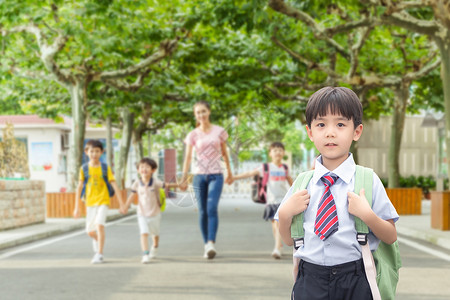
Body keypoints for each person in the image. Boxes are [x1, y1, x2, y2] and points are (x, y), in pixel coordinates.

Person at [276, 87, 399, 300]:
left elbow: (390, 235)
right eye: (321, 124)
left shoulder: (368, 180)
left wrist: (367, 215)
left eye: (340, 124)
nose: (330, 132)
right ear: (310, 132)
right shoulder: (302, 183)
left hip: (355, 278)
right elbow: (288, 240)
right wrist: (286, 213)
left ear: (357, 131)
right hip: (310, 278)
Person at [179, 100, 232, 259]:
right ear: (195, 115)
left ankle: (211, 243)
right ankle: (206, 245)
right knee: (202, 211)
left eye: (203, 111)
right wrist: (183, 177)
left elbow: (224, 153)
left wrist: (229, 172)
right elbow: (188, 157)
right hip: (199, 176)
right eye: (198, 112)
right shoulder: (193, 135)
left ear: (208, 112)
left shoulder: (219, 131)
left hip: (216, 174)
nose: (201, 115)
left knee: (211, 207)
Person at [230, 142, 293, 259]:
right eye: (275, 150)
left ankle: (277, 248)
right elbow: (249, 173)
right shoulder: (266, 168)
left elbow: (291, 182)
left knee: (278, 223)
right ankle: (279, 245)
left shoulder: (285, 168)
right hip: (271, 201)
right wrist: (234, 178)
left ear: (283, 153)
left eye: (280, 150)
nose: (278, 152)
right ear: (270, 153)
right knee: (274, 225)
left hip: (283, 201)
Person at [73, 139, 125, 264]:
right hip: (90, 202)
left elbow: (114, 185)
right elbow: (79, 187)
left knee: (99, 225)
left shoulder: (105, 168)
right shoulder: (84, 168)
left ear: (101, 152)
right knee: (90, 231)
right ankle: (98, 240)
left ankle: (99, 254)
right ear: (86, 152)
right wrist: (77, 207)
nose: (94, 154)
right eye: (91, 151)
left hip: (103, 200)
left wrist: (122, 203)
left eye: (97, 151)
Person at [123, 157, 178, 264]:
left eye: (147, 167)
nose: (144, 169)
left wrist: (180, 185)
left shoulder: (155, 182)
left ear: (153, 170)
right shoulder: (137, 183)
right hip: (142, 213)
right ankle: (145, 254)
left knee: (155, 234)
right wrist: (125, 206)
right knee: (144, 233)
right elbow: (132, 196)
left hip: (155, 213)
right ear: (138, 170)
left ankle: (155, 246)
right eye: (142, 167)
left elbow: (167, 185)